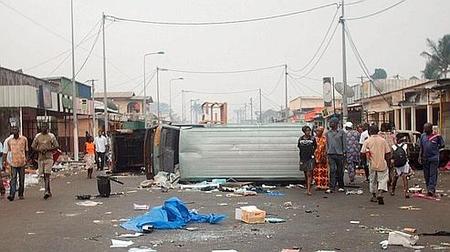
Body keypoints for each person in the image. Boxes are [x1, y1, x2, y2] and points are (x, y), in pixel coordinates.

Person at [361, 125, 391, 205]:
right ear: (378, 131)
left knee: (372, 180)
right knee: (383, 179)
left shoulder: (367, 141)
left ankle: (374, 196)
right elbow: (388, 153)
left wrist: (364, 163)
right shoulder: (383, 140)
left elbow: (362, 153)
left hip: (372, 163)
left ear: (369, 132)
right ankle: (380, 192)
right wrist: (388, 164)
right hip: (382, 163)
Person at [31, 123, 59, 200]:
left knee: (47, 174)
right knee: (44, 175)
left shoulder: (51, 136)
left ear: (47, 128)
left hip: (49, 158)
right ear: (40, 127)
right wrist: (39, 150)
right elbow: (33, 146)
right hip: (40, 158)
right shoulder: (37, 136)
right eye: (42, 126)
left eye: (45, 127)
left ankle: (46, 191)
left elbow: (57, 146)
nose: (44, 128)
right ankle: (48, 190)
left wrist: (48, 149)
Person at [2, 126, 29, 201]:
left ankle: (21, 194)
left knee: (21, 179)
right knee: (13, 179)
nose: (15, 131)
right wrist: (4, 162)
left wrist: (26, 158)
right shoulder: (9, 141)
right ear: (11, 131)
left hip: (22, 162)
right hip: (13, 162)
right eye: (13, 129)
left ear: (18, 131)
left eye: (16, 129)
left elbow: (26, 150)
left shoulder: (24, 139)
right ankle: (12, 194)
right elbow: (6, 152)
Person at [419, 123, 445, 197]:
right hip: (425, 158)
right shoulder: (422, 136)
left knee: (433, 174)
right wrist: (419, 156)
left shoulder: (437, 136)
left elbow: (442, 146)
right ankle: (429, 189)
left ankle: (431, 189)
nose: (425, 130)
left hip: (434, 158)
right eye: (424, 128)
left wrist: (438, 153)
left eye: (426, 128)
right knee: (426, 175)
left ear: (431, 129)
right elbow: (421, 147)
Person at [325, 117, 346, 193]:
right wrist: (327, 152)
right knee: (332, 170)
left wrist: (344, 152)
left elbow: (344, 143)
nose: (330, 124)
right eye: (330, 122)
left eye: (332, 122)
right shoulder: (327, 133)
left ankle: (341, 186)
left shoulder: (341, 132)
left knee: (340, 171)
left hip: (340, 154)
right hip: (331, 154)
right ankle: (332, 187)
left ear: (336, 124)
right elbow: (327, 143)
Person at [298, 125, 317, 195]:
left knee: (309, 173)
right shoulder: (301, 139)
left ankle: (309, 190)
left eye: (309, 131)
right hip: (303, 158)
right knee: (305, 173)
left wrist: (312, 153)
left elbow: (315, 146)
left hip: (310, 158)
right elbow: (299, 147)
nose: (308, 132)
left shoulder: (312, 139)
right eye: (307, 131)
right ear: (304, 132)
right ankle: (308, 186)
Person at [379, 123, 396, 187]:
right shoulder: (392, 135)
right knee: (390, 168)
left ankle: (386, 180)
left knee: (385, 168)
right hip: (390, 153)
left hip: (383, 154)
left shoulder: (380, 135)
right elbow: (394, 144)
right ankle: (389, 179)